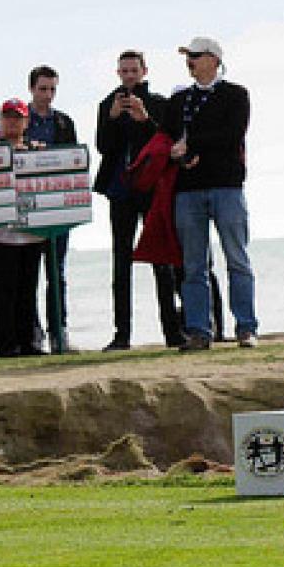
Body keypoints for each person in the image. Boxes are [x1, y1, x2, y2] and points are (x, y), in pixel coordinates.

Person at [160, 37, 258, 350]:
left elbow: (232, 135)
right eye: (188, 56)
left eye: (196, 56)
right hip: (188, 190)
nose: (189, 60)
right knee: (193, 267)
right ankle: (199, 331)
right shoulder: (179, 100)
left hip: (226, 186)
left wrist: (195, 145)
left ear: (213, 59)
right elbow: (168, 138)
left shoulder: (235, 95)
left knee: (237, 260)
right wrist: (178, 153)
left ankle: (246, 327)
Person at [93, 51, 181, 350]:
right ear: (118, 72)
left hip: (152, 188)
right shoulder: (107, 104)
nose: (129, 76)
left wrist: (144, 119)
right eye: (124, 70)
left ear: (144, 71)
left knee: (161, 258)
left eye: (134, 70)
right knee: (121, 261)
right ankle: (122, 334)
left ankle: (172, 331)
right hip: (121, 190)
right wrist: (114, 118)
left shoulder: (158, 103)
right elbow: (104, 147)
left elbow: (165, 143)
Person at [0, 98, 48, 358]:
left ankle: (29, 341)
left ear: (26, 121)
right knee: (4, 288)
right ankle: (6, 345)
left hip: (31, 229)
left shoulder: (36, 150)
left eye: (17, 117)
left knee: (28, 288)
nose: (12, 122)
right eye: (7, 117)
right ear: (0, 119)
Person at [25, 65, 78, 353]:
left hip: (58, 207)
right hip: (30, 207)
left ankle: (60, 331)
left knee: (57, 273)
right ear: (32, 89)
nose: (47, 95)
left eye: (52, 89)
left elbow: (74, 160)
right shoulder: (22, 119)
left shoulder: (63, 122)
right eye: (43, 89)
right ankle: (34, 334)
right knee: (31, 272)